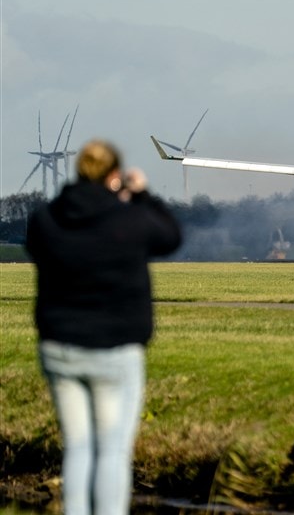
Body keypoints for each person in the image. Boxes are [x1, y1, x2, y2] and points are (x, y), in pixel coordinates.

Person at [25, 139, 182, 515]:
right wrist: (142, 195)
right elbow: (170, 237)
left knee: (78, 447)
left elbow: (37, 247)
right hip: (115, 348)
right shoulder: (130, 219)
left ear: (78, 171)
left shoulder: (45, 219)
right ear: (114, 176)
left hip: (60, 348)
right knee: (112, 449)